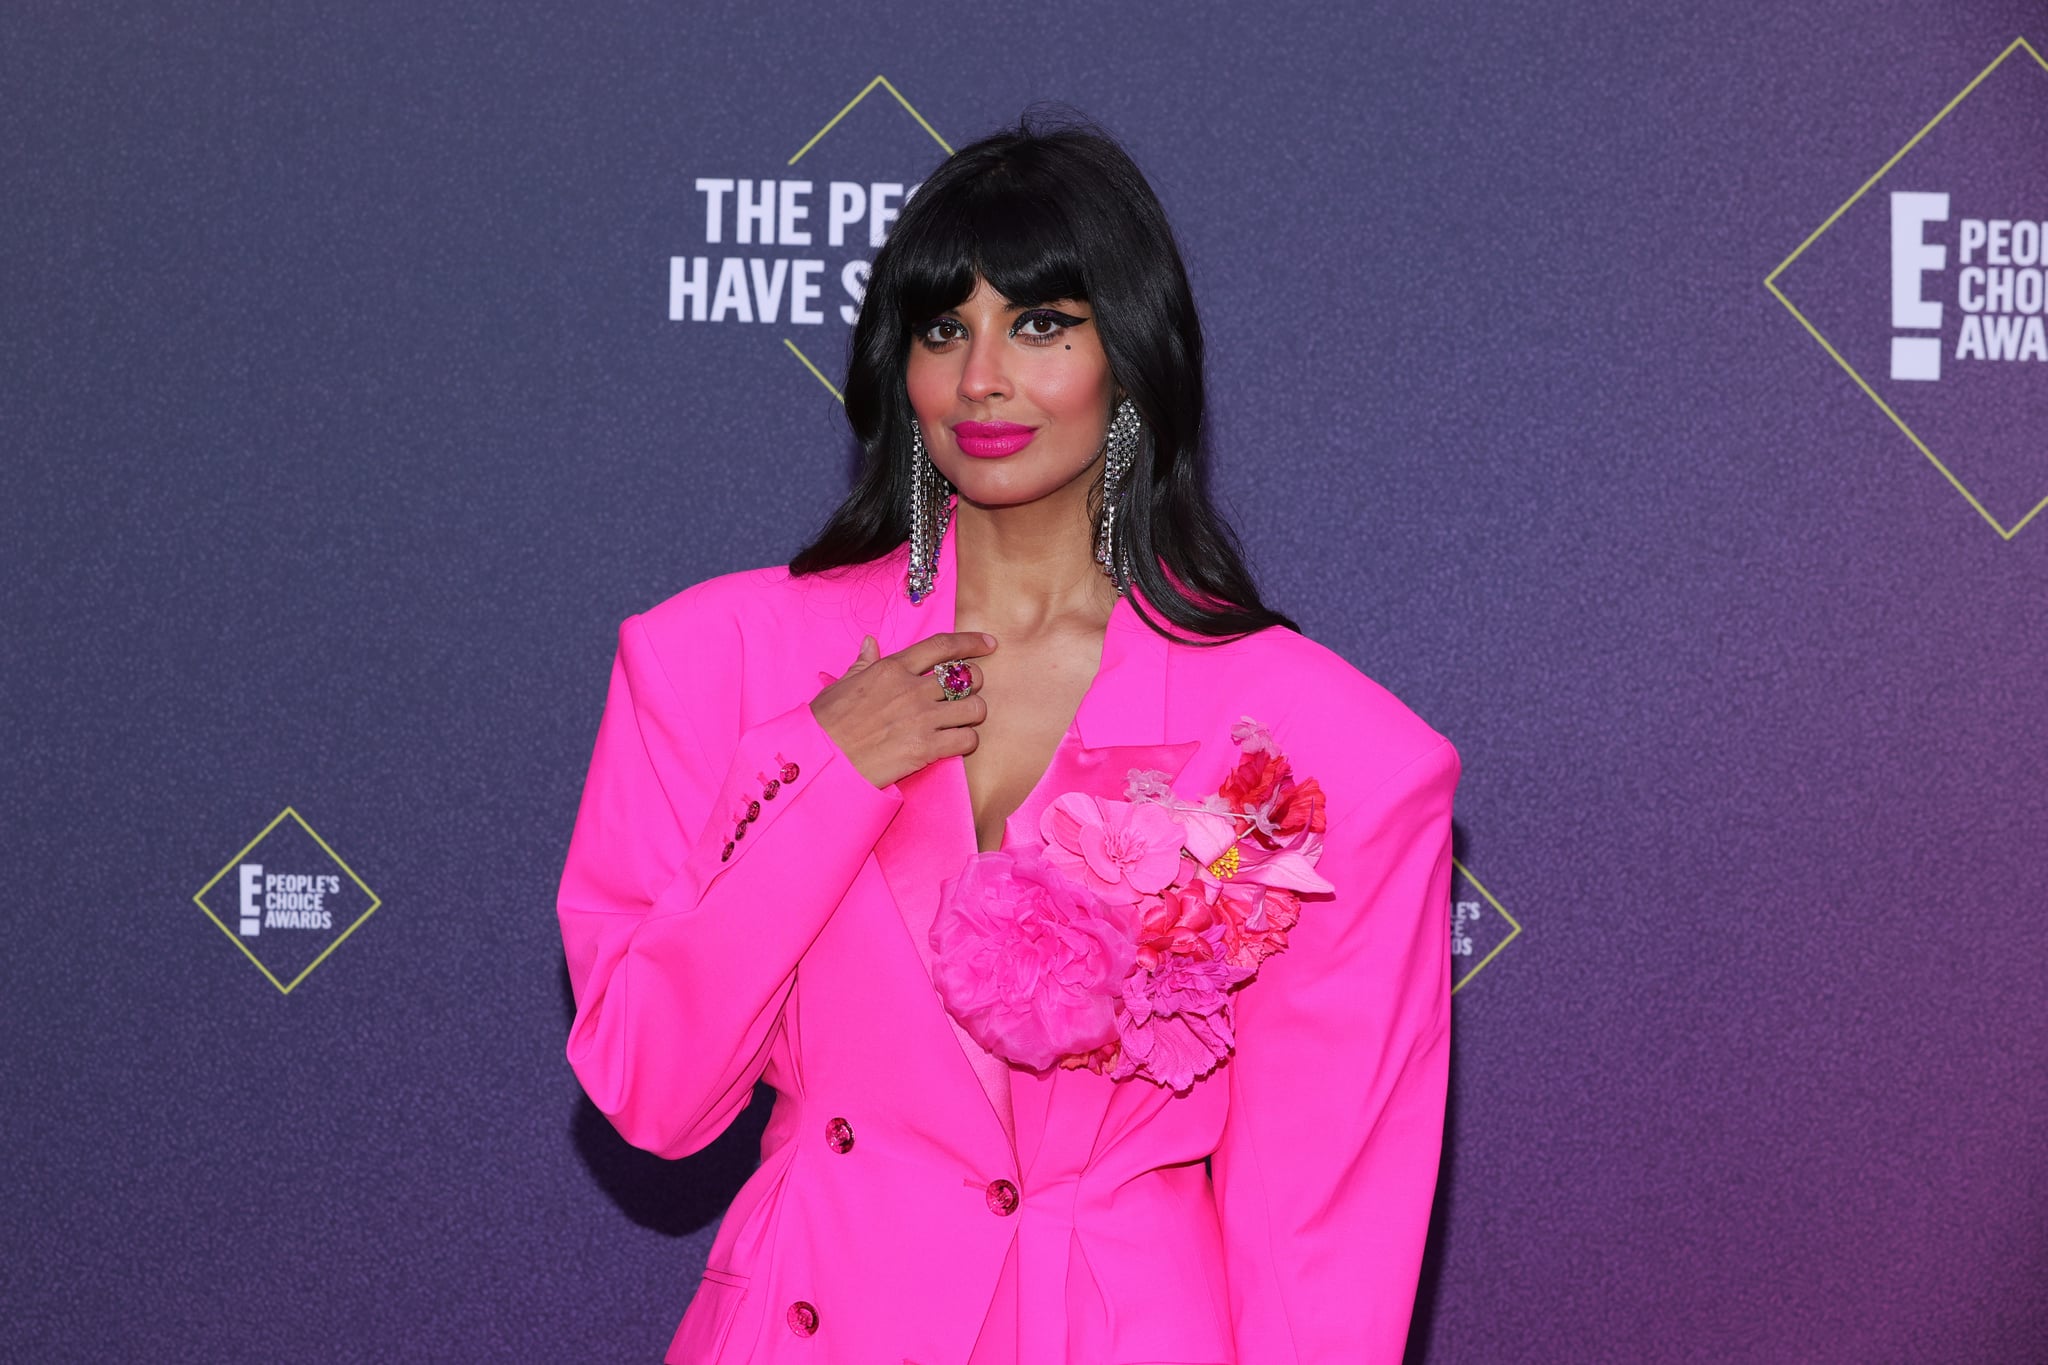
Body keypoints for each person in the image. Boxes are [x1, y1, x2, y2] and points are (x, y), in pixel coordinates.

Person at [557, 115, 1459, 1364]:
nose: (982, 375)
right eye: (943, 328)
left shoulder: (1315, 746)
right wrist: (825, 772)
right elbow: (651, 1091)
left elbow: (1321, 1224)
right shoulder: (717, 663)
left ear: (1128, 359)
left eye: (1040, 324)